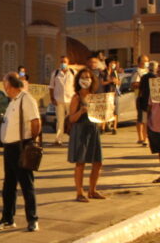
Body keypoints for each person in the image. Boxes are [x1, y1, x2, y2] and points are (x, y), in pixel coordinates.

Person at [0, 72, 40, 232]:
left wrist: (30, 141)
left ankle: (33, 219)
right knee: (9, 186)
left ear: (10, 85)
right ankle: (7, 218)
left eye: (4, 83)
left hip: (21, 146)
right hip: (9, 148)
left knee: (26, 185)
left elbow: (36, 122)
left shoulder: (26, 99)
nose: (3, 87)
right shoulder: (12, 101)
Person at [67, 65, 104, 201]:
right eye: (82, 78)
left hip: (93, 130)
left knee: (98, 162)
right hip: (80, 131)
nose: (85, 80)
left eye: (87, 77)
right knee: (80, 163)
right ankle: (79, 192)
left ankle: (92, 190)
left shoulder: (94, 97)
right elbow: (71, 118)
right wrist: (81, 111)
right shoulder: (76, 98)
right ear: (78, 80)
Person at [48, 56, 75, 146]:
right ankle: (58, 139)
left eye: (65, 62)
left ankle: (73, 138)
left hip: (70, 100)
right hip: (59, 100)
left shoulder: (73, 73)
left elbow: (77, 86)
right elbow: (51, 87)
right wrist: (52, 98)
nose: (63, 63)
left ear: (68, 62)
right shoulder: (55, 73)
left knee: (71, 120)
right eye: (61, 62)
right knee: (60, 120)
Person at [132, 55, 151, 145]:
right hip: (140, 97)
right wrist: (143, 85)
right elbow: (133, 84)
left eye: (147, 61)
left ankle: (146, 137)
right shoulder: (137, 72)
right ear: (140, 62)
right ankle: (141, 137)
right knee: (141, 118)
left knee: (147, 119)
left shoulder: (148, 71)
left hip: (149, 97)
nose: (146, 62)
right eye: (145, 61)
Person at [101, 58, 121, 134]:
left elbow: (119, 82)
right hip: (106, 93)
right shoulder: (103, 73)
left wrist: (116, 81)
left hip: (114, 93)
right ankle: (103, 128)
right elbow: (102, 83)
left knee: (115, 111)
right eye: (112, 63)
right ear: (108, 63)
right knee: (105, 110)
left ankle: (114, 128)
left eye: (114, 63)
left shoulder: (115, 72)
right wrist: (109, 81)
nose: (113, 64)